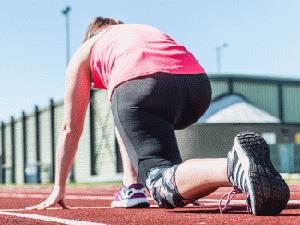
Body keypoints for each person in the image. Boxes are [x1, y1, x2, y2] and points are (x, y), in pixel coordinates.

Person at [26, 17, 290, 215]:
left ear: (91, 36)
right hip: (197, 88)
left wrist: (58, 188)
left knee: (161, 187)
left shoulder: (86, 51)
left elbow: (70, 128)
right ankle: (145, 185)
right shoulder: (138, 31)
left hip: (142, 87)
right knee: (169, 170)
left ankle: (234, 166)